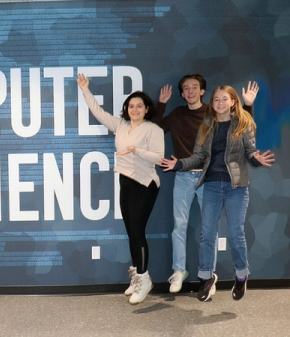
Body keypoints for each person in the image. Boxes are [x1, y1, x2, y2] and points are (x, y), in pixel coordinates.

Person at [161, 85, 275, 302]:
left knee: (235, 233)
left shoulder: (244, 123)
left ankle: (241, 275)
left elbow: (250, 152)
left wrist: (256, 160)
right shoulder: (206, 125)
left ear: (233, 102)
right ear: (212, 104)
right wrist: (179, 164)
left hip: (236, 186)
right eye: (216, 100)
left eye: (224, 99)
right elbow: (197, 157)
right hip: (211, 185)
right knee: (207, 234)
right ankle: (205, 278)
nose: (220, 103)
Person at [77, 74, 164, 305]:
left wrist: (137, 150)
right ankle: (137, 276)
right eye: (131, 106)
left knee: (138, 232)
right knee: (131, 232)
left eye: (139, 106)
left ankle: (145, 280)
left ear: (147, 109)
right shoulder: (121, 125)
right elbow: (99, 113)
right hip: (125, 181)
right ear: (127, 109)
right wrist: (86, 90)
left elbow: (159, 158)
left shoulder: (153, 129)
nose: (135, 109)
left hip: (145, 184)